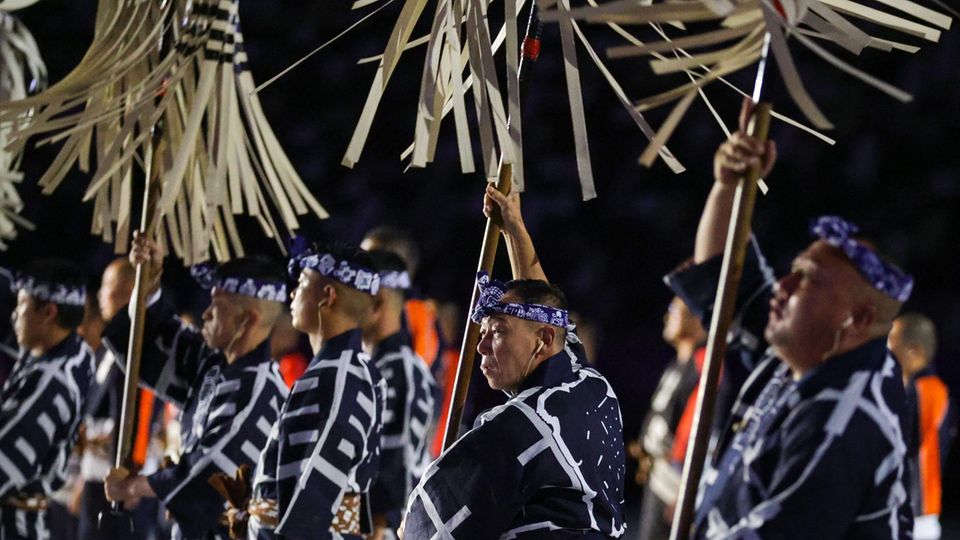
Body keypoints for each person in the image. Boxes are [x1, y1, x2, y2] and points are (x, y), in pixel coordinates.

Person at [666, 98, 914, 538]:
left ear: (857, 320)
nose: (783, 286)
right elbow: (725, 281)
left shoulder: (842, 419)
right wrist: (728, 186)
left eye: (808, 281)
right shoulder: (806, 356)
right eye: (793, 272)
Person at [400, 186, 627, 538]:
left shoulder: (513, 427)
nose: (481, 347)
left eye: (498, 332)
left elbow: (420, 528)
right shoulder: (589, 384)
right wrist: (515, 228)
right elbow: (546, 313)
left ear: (543, 341)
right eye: (483, 332)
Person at [103, 236, 290, 540]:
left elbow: (208, 471)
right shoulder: (215, 366)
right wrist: (149, 280)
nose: (205, 314)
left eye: (216, 307)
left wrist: (131, 486)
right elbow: (151, 339)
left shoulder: (260, 389)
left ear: (246, 319)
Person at [247, 241, 384, 540]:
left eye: (301, 283)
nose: (292, 293)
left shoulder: (337, 376)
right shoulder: (348, 370)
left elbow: (313, 499)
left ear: (327, 297)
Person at [0, 259, 95, 538]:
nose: (15, 315)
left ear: (48, 312)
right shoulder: (76, 354)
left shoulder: (50, 383)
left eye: (22, 305)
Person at [362, 250, 437, 538]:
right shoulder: (376, 366)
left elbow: (398, 469)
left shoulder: (402, 369)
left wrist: (380, 525)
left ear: (378, 301)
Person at [631, 296, 705, 540]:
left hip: (675, 485)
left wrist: (686, 492)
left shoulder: (704, 364)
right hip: (659, 477)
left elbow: (702, 432)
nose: (667, 315)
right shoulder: (677, 364)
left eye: (675, 309)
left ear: (698, 319)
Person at [888, 313, 956, 540]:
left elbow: (914, 450)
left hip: (914, 516)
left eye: (892, 343)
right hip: (916, 514)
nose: (887, 351)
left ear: (913, 351)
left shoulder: (925, 391)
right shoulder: (927, 389)